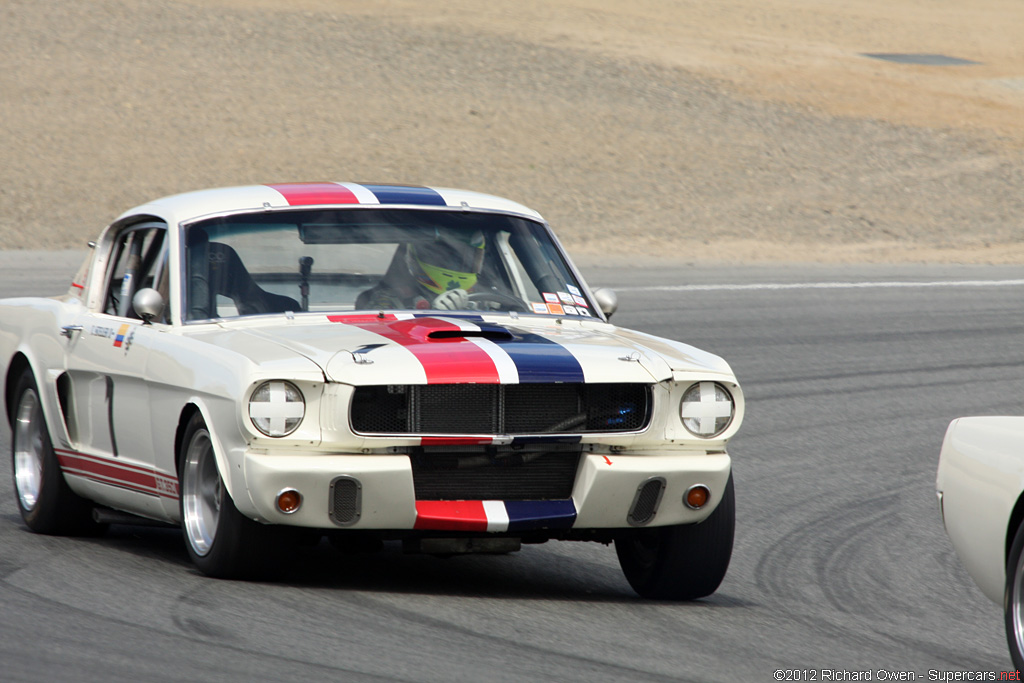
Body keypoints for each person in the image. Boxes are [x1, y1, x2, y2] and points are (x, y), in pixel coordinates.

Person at [357, 229, 486, 310]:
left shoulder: (485, 301)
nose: (454, 264)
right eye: (445, 257)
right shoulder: (387, 301)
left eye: (463, 259)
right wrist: (434, 316)